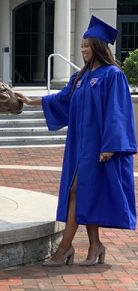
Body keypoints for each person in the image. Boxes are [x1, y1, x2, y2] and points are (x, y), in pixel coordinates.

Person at [17, 15, 137, 266]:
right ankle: (95, 246)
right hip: (79, 146)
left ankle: (64, 249)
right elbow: (62, 100)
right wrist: (30, 101)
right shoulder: (81, 77)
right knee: (86, 193)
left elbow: (118, 112)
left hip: (99, 148)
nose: (83, 50)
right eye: (81, 46)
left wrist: (110, 146)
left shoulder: (112, 75)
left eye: (87, 46)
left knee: (77, 191)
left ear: (99, 47)